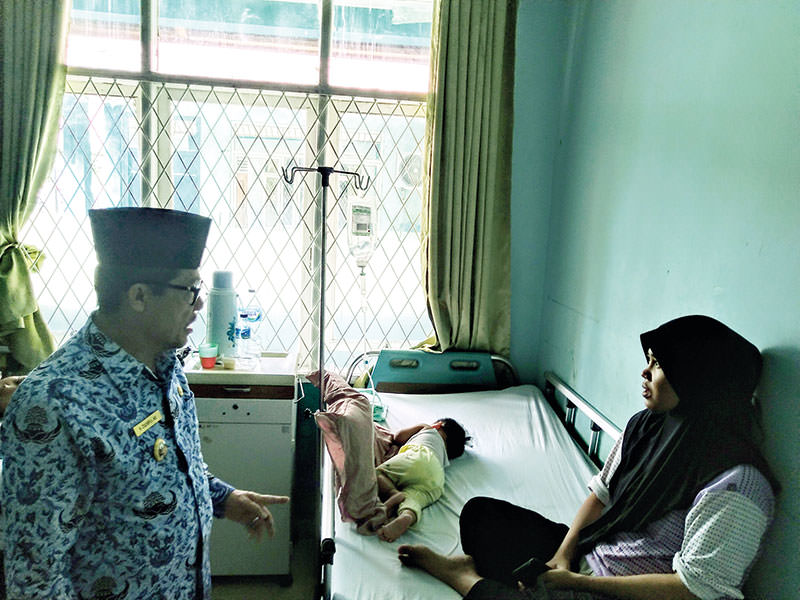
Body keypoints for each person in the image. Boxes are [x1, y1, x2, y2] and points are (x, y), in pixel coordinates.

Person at [0, 207, 289, 599]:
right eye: (190, 290)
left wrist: (223, 498)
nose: (199, 304)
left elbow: (168, 468)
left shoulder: (166, 367)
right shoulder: (53, 404)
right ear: (138, 295)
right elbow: (36, 576)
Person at [397, 315, 779, 600]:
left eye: (659, 365)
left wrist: (579, 584)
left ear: (698, 379)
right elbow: (600, 496)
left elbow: (694, 589)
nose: (645, 372)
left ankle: (464, 577)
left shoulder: (738, 484)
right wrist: (564, 555)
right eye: (649, 360)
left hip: (628, 592)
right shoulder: (647, 426)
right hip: (593, 552)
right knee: (480, 514)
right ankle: (487, 575)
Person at [376, 418, 469, 542]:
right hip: (436, 476)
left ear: (438, 425)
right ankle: (407, 515)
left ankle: (393, 493)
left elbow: (397, 437)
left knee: (377, 474)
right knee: (415, 500)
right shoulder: (443, 458)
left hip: (417, 456)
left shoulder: (428, 429)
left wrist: (422, 426)